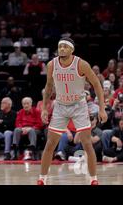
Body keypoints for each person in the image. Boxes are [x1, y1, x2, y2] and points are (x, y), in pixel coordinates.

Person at [38, 37, 107, 185]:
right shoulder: (52, 65)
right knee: (50, 143)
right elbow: (49, 87)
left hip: (78, 105)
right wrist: (44, 108)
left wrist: (102, 108)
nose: (61, 49)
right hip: (60, 106)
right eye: (60, 46)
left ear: (72, 49)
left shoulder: (81, 64)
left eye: (65, 46)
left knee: (87, 143)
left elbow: (97, 85)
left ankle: (93, 179)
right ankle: (42, 178)